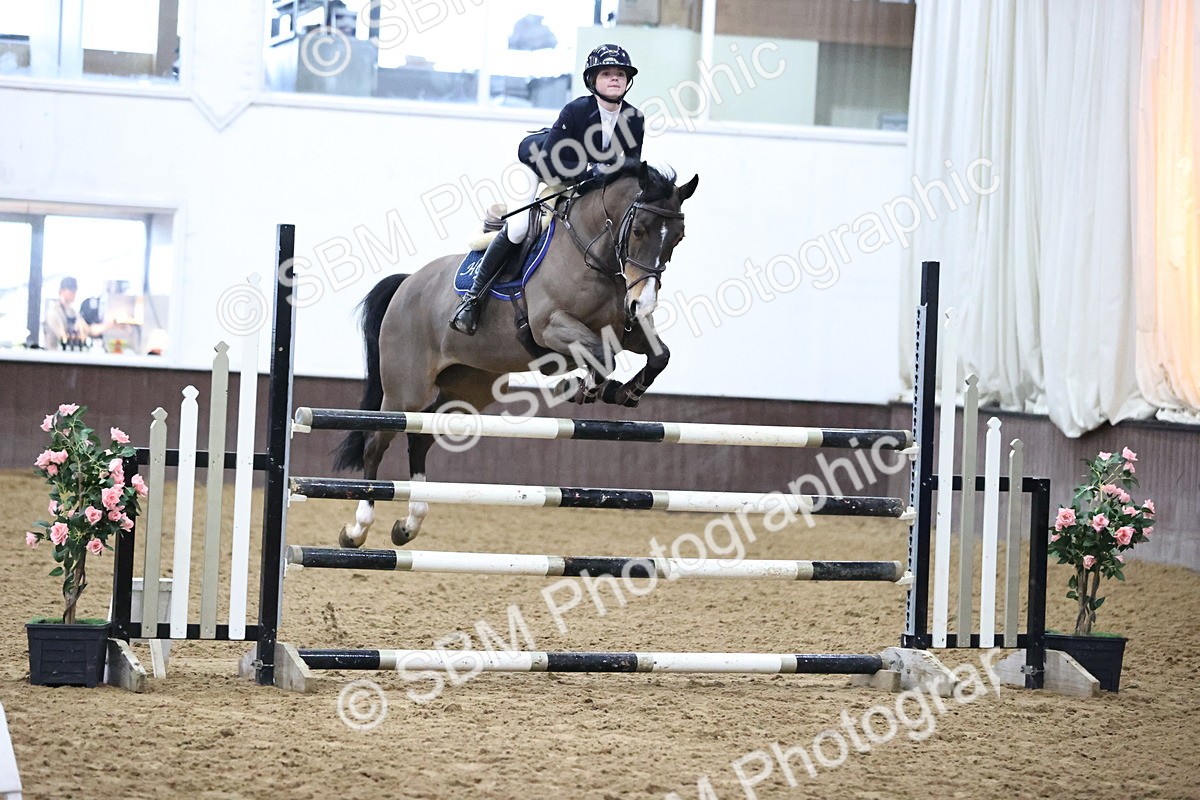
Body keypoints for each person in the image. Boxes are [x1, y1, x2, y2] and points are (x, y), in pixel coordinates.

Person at [450, 43, 646, 335]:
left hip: (583, 182)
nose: (615, 78)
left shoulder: (635, 118)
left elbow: (630, 168)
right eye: (606, 74)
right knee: (519, 227)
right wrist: (591, 170)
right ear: (593, 80)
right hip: (538, 168)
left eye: (620, 73)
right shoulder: (576, 110)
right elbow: (552, 161)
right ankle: (472, 299)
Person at [41, 276, 104, 350]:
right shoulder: (53, 313)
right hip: (52, 354)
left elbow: (88, 330)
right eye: (71, 290)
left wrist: (110, 325)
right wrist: (79, 334)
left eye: (75, 290)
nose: (74, 293)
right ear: (61, 291)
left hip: (68, 354)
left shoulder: (73, 312)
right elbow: (63, 338)